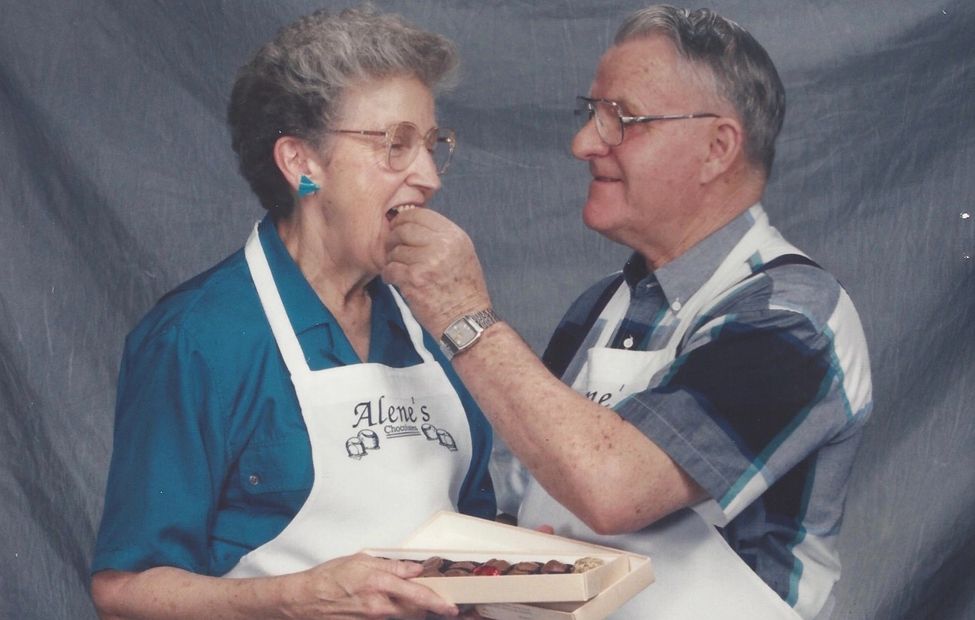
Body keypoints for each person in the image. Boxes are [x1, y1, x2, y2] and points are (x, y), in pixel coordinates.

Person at [384, 5, 872, 619]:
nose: (584, 142)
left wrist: (462, 313)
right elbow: (532, 494)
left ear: (717, 147)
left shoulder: (791, 317)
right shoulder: (601, 306)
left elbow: (615, 489)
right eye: (591, 114)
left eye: (620, 118)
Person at [90, 7, 495, 619]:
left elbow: (479, 534)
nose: (430, 176)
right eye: (396, 145)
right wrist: (291, 599)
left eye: (433, 145)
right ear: (301, 165)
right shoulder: (199, 338)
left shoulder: (441, 324)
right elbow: (123, 593)